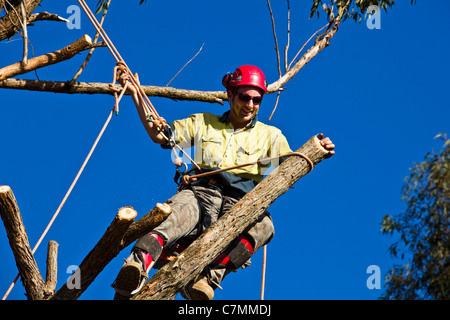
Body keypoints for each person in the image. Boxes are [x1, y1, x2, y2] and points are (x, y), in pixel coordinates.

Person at [111, 65, 335, 300]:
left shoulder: (272, 136)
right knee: (175, 214)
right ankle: (136, 267)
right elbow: (161, 134)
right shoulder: (203, 122)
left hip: (241, 202)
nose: (249, 105)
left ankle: (207, 278)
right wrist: (136, 94)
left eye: (256, 100)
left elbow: (293, 163)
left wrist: (318, 150)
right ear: (230, 95)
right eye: (244, 97)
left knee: (264, 226)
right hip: (201, 193)